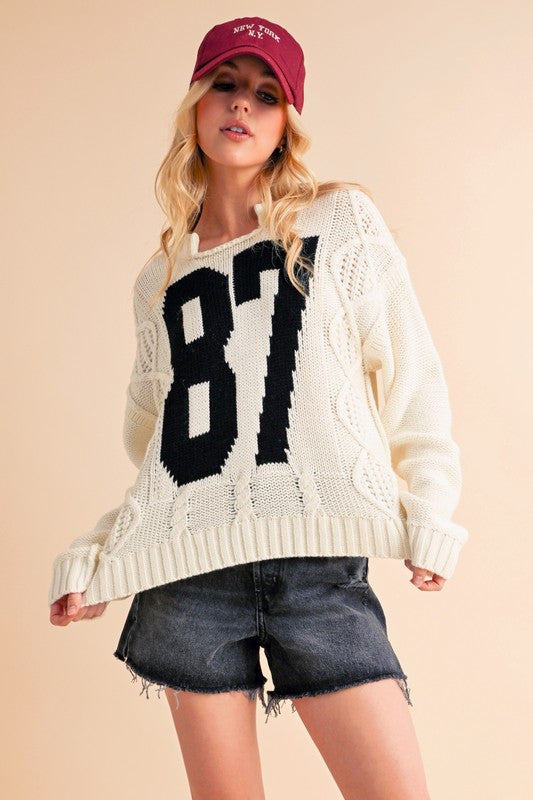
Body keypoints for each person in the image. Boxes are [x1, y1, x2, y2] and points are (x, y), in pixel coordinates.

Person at [49, 15, 469, 800]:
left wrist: (430, 507)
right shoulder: (158, 281)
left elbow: (414, 377)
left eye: (266, 94)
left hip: (319, 572)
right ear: (195, 104)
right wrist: (99, 558)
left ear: (286, 125)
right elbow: (165, 460)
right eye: (226, 84)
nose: (242, 104)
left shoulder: (338, 222)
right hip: (190, 584)